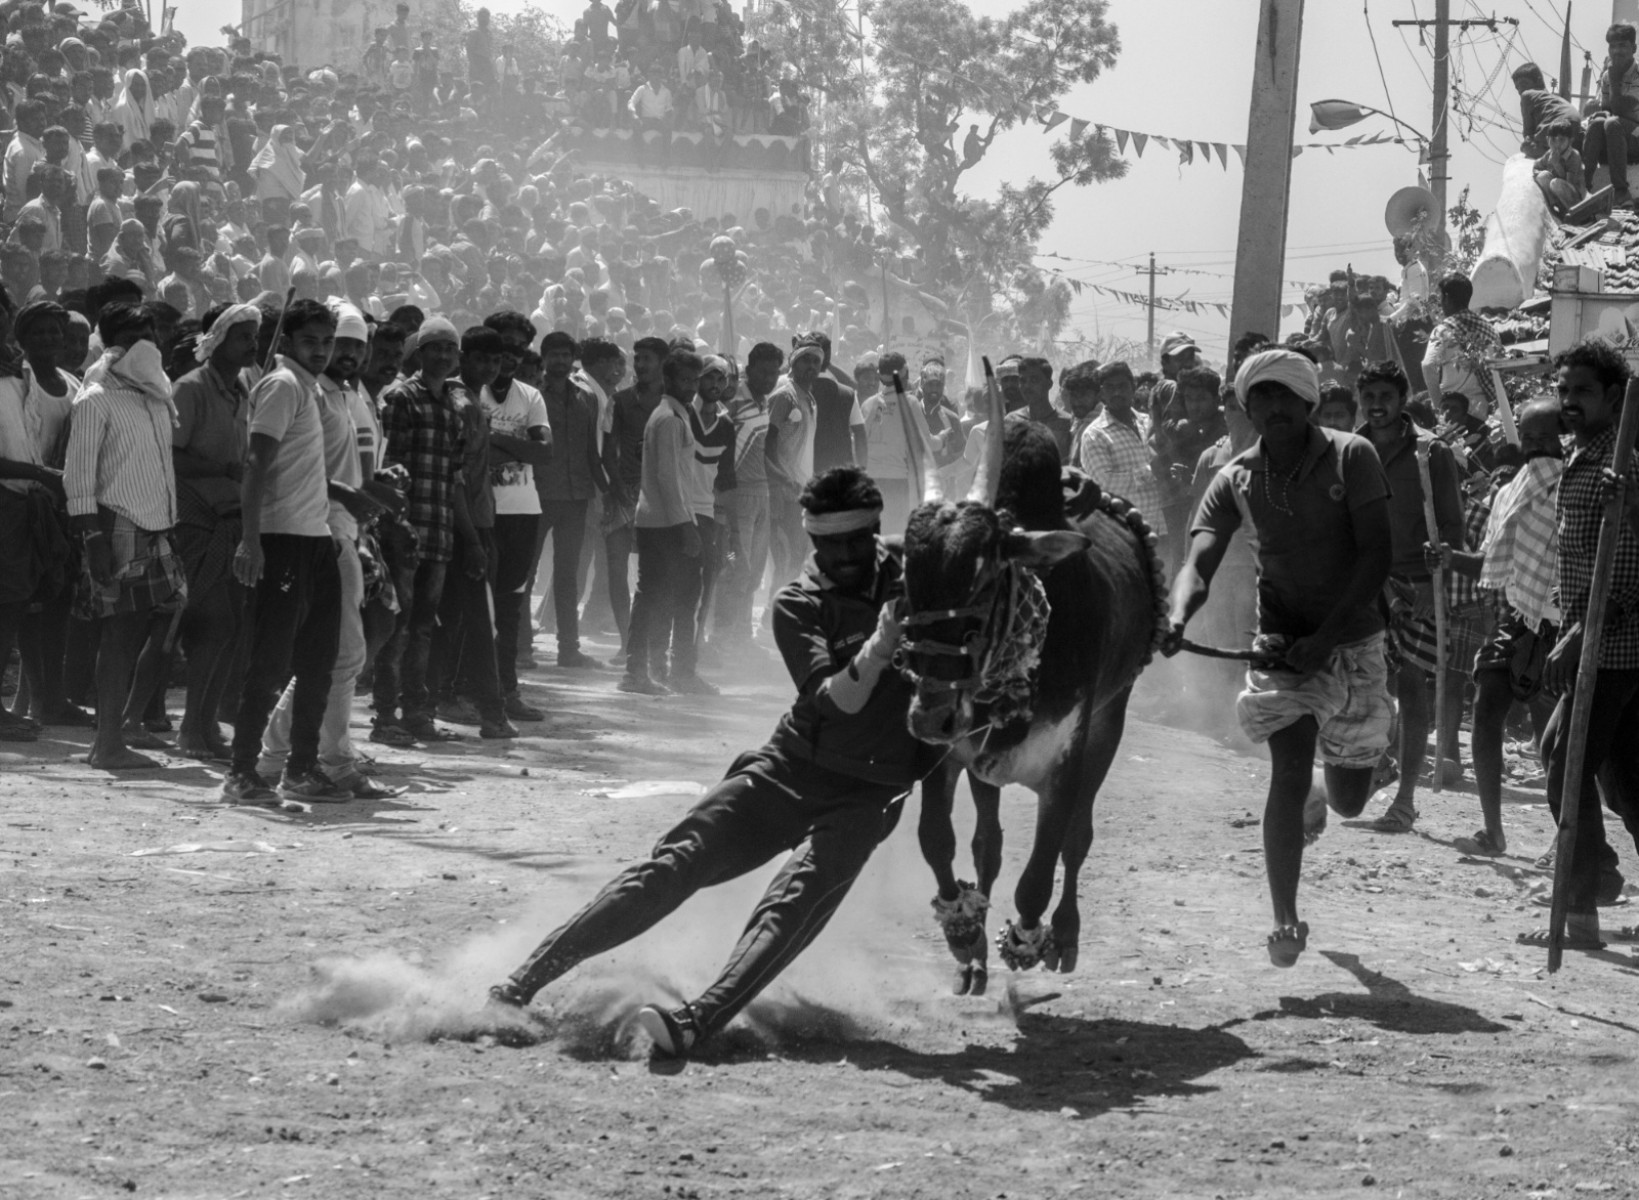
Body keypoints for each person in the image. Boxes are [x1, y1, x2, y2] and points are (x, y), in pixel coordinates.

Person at [490, 466, 935, 1058]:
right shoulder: (796, 604)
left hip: (870, 794)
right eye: (833, 544)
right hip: (788, 769)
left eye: (859, 540)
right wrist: (882, 644)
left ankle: (697, 1021)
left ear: (877, 531)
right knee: (671, 869)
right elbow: (839, 703)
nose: (848, 555)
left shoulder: (921, 577)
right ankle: (518, 986)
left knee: (791, 905)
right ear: (811, 539)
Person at [1166, 348, 1394, 967]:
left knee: (1349, 801)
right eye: (1259, 397)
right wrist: (1177, 616)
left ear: (1307, 399)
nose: (1272, 407)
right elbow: (1199, 560)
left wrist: (1327, 639)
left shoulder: (1352, 455)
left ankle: (1333, 784)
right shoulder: (1236, 477)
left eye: (1283, 395)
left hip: (1353, 642)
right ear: (1246, 407)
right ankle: (1284, 918)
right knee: (1286, 772)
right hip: (1283, 646)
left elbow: (1376, 555)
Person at [1519, 340, 1639, 951]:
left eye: (1582, 391)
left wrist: (1577, 636)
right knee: (1625, 782)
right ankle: (1598, 877)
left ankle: (1581, 907)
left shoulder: (1623, 466)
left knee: (1566, 762)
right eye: (1562, 390)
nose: (1568, 401)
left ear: (1614, 398)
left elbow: (1626, 572)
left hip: (1615, 649)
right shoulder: (1580, 460)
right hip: (1589, 641)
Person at [222, 300, 349, 802]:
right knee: (269, 662)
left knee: (318, 662)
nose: (320, 350)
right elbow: (256, 464)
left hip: (315, 538)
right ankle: (241, 771)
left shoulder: (309, 388)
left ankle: (301, 768)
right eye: (310, 341)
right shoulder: (282, 386)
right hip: (281, 539)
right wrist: (250, 539)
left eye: (327, 342)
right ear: (289, 342)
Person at [1429, 398, 1564, 857]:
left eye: (1546, 437)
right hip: (1519, 619)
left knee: (1554, 739)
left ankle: (1566, 839)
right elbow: (1491, 564)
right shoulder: (1509, 494)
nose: (1537, 446)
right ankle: (1493, 831)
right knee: (1486, 711)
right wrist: (1450, 559)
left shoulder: (1573, 487)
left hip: (1562, 626)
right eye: (1529, 437)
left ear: (1563, 438)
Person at [63, 302, 188, 771]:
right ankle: (108, 742)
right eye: (137, 336)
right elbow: (78, 478)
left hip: (157, 524)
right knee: (119, 634)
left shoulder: (155, 393)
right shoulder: (96, 397)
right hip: (118, 524)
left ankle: (123, 727)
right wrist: (93, 539)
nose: (149, 343)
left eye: (152, 334)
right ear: (115, 343)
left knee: (164, 618)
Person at [1353, 360, 1465, 834]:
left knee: (1413, 688)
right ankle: (1380, 764)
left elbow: (1453, 525)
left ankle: (1404, 800)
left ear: (1402, 401)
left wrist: (1430, 581)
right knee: (1362, 681)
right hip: (1367, 580)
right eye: (1369, 397)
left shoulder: (1430, 451)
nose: (1376, 405)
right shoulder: (1352, 448)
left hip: (1418, 583)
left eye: (1385, 397)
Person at [374, 318, 482, 745]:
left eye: (449, 349)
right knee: (396, 626)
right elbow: (388, 466)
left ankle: (418, 714)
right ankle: (386, 716)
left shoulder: (453, 407)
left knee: (422, 628)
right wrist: (393, 523)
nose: (443, 355)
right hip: (402, 532)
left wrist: (468, 538)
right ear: (419, 354)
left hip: (438, 534)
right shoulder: (401, 398)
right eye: (435, 347)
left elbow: (454, 476)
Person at [170, 303, 259, 761]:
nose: (252, 345)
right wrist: (221, 469)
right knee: (212, 624)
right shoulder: (190, 389)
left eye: (254, 336)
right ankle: (190, 727)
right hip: (195, 520)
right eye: (243, 337)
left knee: (230, 627)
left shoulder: (245, 392)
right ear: (218, 340)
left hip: (232, 520)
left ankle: (205, 724)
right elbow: (170, 454)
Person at [622, 345, 709, 695]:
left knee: (658, 596)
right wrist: (686, 527)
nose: (691, 386)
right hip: (667, 523)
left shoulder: (671, 414)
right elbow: (668, 478)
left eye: (694, 380)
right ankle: (654, 672)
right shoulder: (670, 418)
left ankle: (653, 670)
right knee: (672, 597)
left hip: (659, 520)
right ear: (668, 379)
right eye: (684, 380)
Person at [480, 311, 553, 718]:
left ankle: (507, 692)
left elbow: (544, 452)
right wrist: (517, 445)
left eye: (520, 349)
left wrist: (491, 437)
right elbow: (473, 452)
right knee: (476, 607)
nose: (512, 355)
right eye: (506, 345)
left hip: (524, 511)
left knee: (510, 608)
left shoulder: (530, 395)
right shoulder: (469, 391)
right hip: (482, 512)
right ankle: (471, 692)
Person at [528, 330, 608, 669]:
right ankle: (520, 646)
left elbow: (592, 450)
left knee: (568, 575)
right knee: (527, 572)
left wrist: (605, 490)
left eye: (565, 355)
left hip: (576, 497)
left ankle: (569, 648)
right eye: (554, 355)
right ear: (544, 357)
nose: (560, 361)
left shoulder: (586, 398)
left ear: (572, 359)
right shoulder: (532, 395)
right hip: (538, 495)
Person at [1079, 360, 1166, 540]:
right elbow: (1106, 483)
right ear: (1101, 393)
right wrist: (1152, 472)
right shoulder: (1095, 435)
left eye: (1122, 386)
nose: (1117, 392)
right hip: (1124, 534)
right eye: (1110, 387)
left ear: (1133, 388)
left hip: (1163, 530)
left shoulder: (1149, 422)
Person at [1422, 275, 1502, 422]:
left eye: (1441, 298)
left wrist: (1438, 404)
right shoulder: (1490, 329)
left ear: (1446, 298)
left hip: (1453, 413)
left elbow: (1428, 365)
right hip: (1482, 411)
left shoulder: (1443, 329)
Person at [1581, 22, 1639, 206]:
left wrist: (1614, 80)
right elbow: (1607, 108)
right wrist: (1600, 115)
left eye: (1622, 45)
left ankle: (1621, 191)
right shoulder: (1607, 75)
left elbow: (1621, 109)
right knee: (1598, 123)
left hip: (1636, 136)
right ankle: (1583, 187)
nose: (1616, 51)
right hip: (1617, 138)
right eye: (1612, 46)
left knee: (1612, 123)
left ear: (1634, 48)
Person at [1535, 116, 1588, 216]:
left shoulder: (1574, 156)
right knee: (1543, 176)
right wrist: (1537, 172)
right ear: (1547, 139)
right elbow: (1536, 167)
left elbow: (1569, 182)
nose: (1557, 143)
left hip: (1576, 198)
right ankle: (1555, 208)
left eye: (1562, 139)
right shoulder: (1549, 154)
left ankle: (1576, 212)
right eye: (1553, 139)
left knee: (1556, 183)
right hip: (1559, 196)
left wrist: (1557, 164)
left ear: (1570, 141)